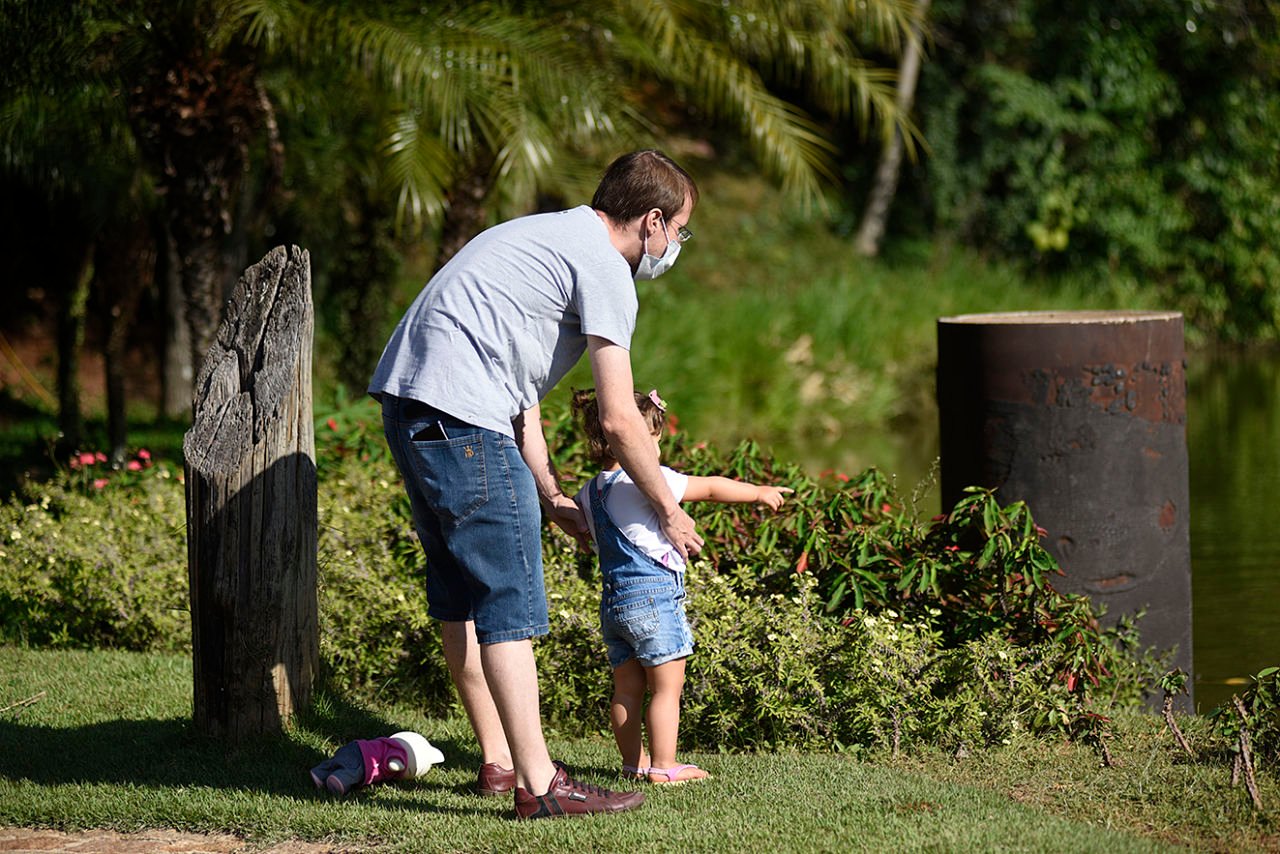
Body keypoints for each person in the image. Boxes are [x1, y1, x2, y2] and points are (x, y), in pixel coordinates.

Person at [369, 149, 703, 819]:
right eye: (679, 230)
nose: (676, 245)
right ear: (652, 221)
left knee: (461, 597)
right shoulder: (605, 266)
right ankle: (541, 786)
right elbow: (619, 417)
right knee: (507, 601)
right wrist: (669, 510)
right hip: (464, 416)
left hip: (411, 404)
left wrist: (550, 494)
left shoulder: (544, 233)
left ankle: (499, 763)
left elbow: (519, 389)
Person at [571, 388, 793, 785]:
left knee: (626, 691)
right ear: (633, 440)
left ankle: (633, 764)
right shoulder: (647, 481)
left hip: (614, 603)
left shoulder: (589, 492)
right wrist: (758, 493)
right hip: (654, 599)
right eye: (654, 439)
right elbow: (709, 487)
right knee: (666, 689)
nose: (657, 448)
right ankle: (664, 765)